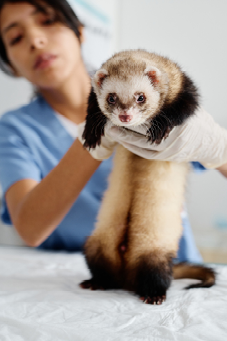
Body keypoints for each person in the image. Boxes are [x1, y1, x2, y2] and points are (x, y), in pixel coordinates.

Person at [0, 0, 226, 262]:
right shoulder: (14, 131)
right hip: (83, 277)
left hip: (174, 269)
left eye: (48, 21)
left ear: (80, 32)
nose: (35, 40)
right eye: (16, 38)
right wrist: (94, 137)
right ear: (10, 65)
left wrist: (219, 147)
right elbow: (29, 229)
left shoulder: (152, 92)